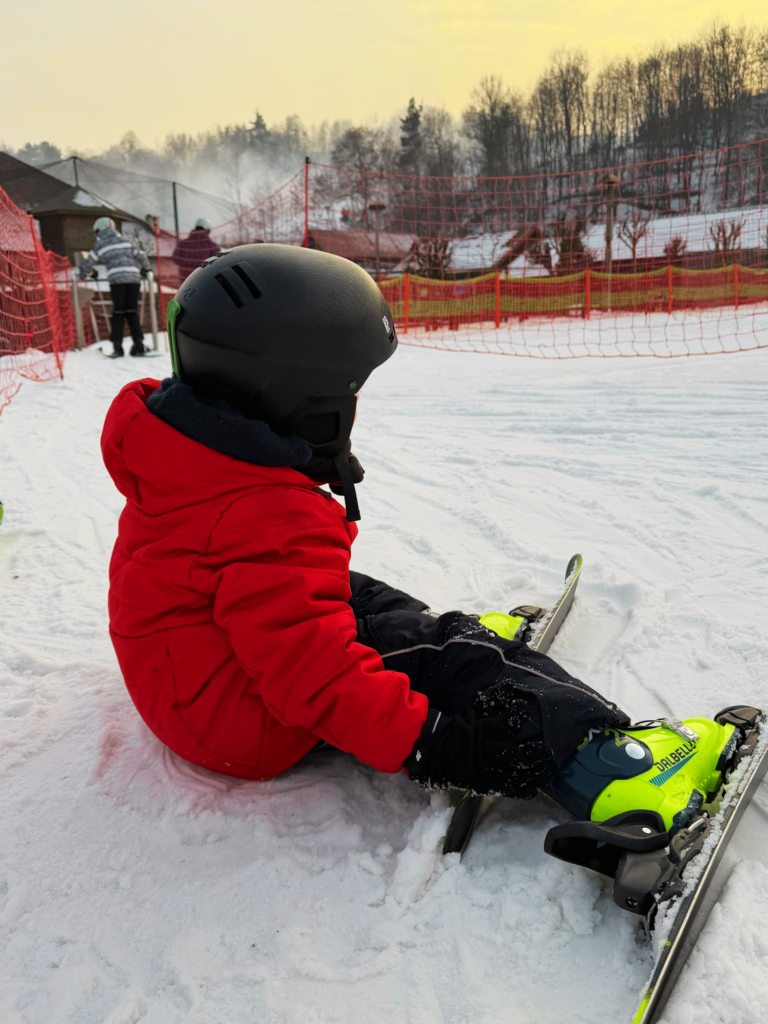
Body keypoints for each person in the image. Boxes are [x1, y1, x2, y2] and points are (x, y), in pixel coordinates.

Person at [100, 245, 735, 829]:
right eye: (349, 391)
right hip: (247, 723)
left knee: (353, 596)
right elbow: (315, 682)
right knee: (447, 657)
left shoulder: (187, 454)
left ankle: (444, 643)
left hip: (190, 679)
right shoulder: (263, 515)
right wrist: (438, 742)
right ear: (299, 397)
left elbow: (265, 587)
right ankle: (606, 765)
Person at [79, 218, 150, 358]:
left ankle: (118, 347)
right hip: (134, 280)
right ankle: (139, 346)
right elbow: (141, 256)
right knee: (132, 312)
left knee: (118, 313)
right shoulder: (125, 241)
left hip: (117, 281)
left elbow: (87, 263)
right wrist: (146, 269)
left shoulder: (100, 245)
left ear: (98, 231)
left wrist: (87, 273)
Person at [171, 218, 220, 282]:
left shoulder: (183, 244)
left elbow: (175, 259)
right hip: (204, 281)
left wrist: (187, 264)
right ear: (208, 230)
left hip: (185, 282)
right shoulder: (212, 246)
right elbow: (218, 262)